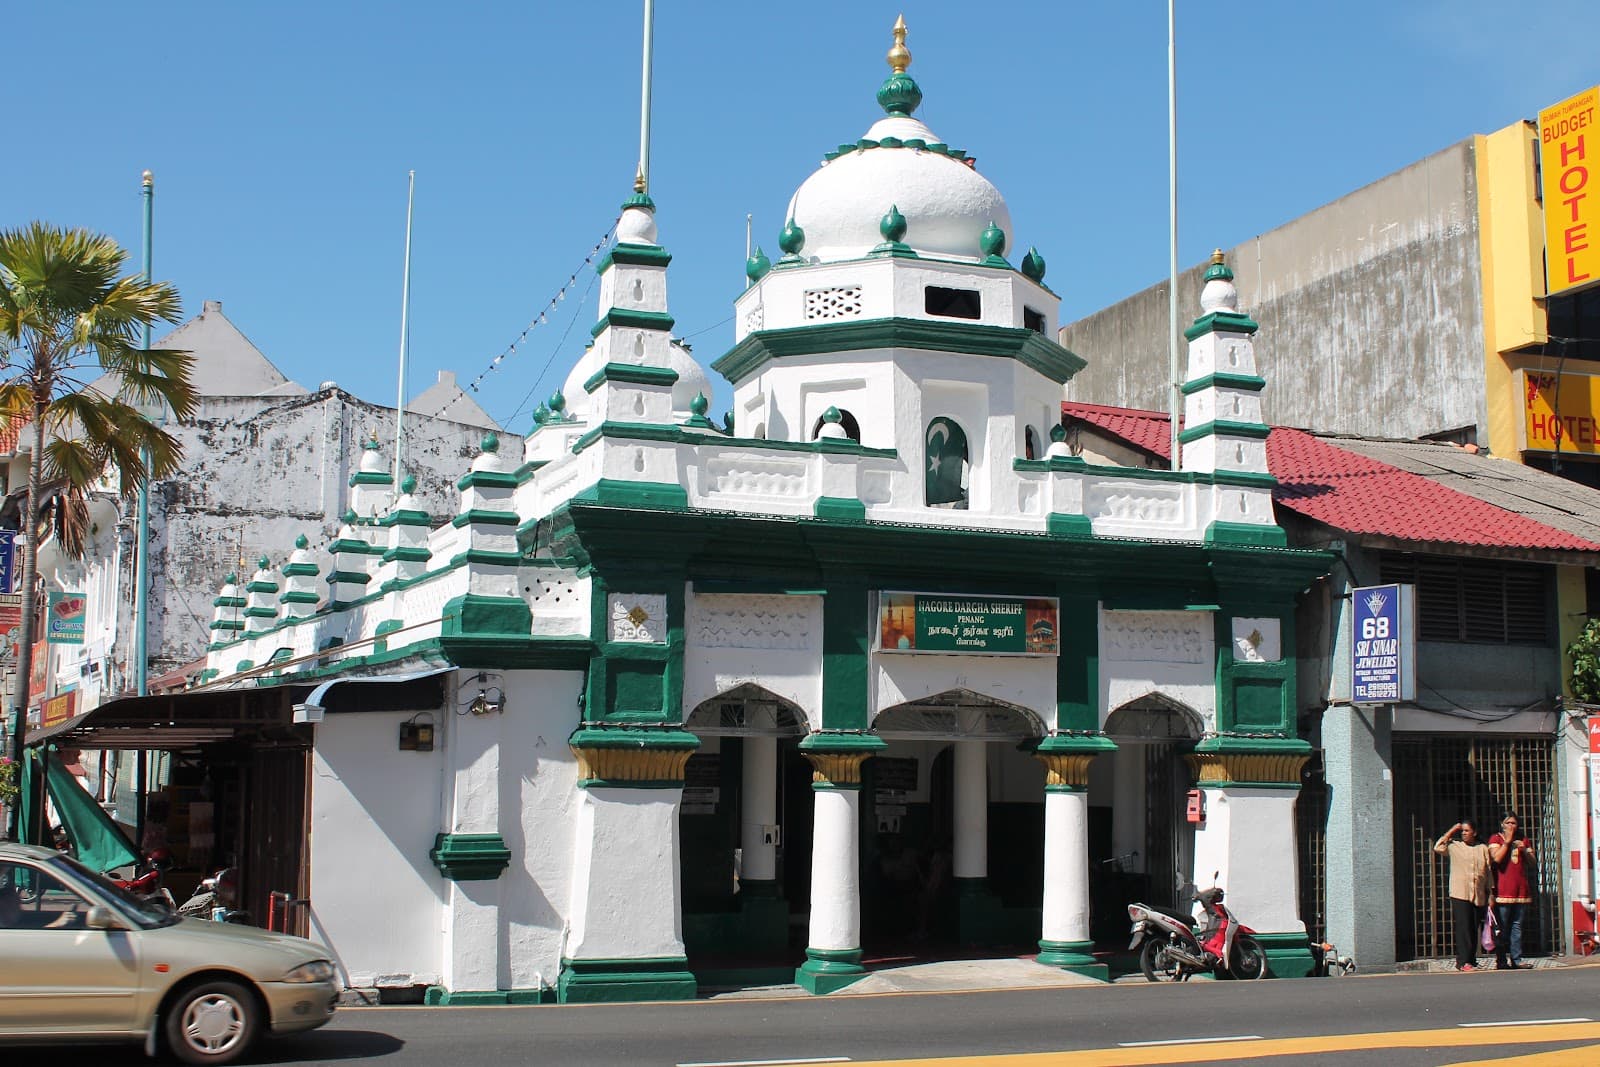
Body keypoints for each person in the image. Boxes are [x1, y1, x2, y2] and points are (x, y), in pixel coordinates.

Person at [1434, 818, 1492, 971]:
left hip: (1478, 894)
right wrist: (1452, 830)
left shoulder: (1482, 848)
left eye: (1467, 831)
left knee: (1473, 927)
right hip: (1460, 893)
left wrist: (1490, 892)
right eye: (1462, 831)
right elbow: (1438, 847)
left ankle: (1471, 959)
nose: (1464, 833)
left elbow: (1488, 871)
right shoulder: (1454, 846)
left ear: (1474, 832)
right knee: (1463, 928)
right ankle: (1462, 961)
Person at [1489, 813, 1535, 970]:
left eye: (1514, 823)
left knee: (1517, 926)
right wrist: (1507, 842)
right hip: (1502, 891)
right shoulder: (1496, 839)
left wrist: (1525, 851)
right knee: (1501, 927)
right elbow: (1496, 859)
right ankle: (1501, 959)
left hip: (1520, 891)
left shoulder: (1523, 839)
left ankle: (1517, 959)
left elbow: (1532, 862)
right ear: (1502, 824)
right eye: (1508, 822)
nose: (1511, 826)